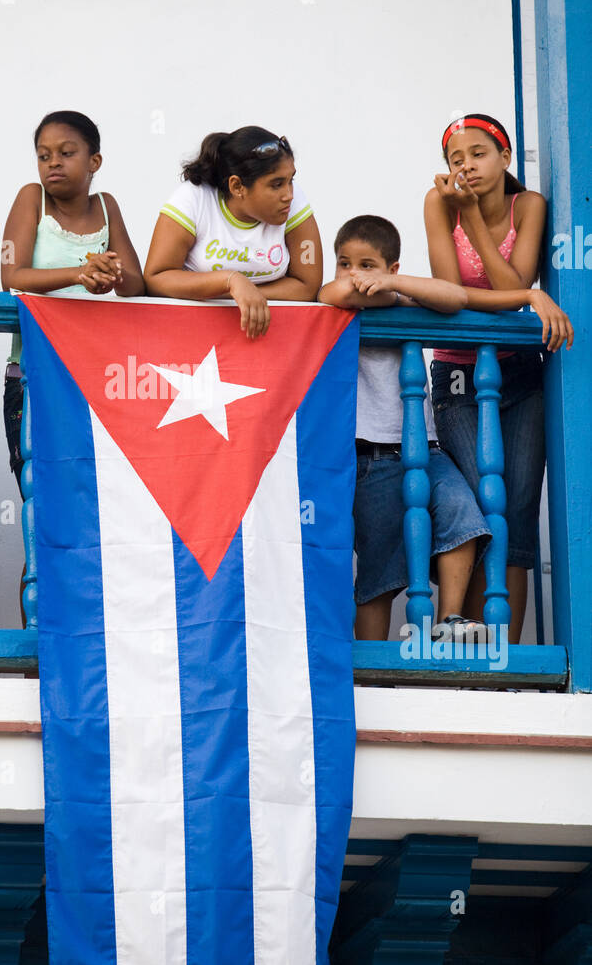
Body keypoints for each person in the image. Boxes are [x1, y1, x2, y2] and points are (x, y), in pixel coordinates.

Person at [319, 215, 494, 642]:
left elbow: (453, 296)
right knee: (381, 570)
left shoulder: (402, 297)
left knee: (462, 513)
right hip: (368, 456)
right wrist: (374, 287)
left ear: (393, 269)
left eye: (367, 265)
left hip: (425, 447)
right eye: (345, 263)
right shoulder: (332, 300)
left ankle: (450, 619)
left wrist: (395, 287)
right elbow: (336, 291)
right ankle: (374, 668)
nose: (355, 275)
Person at [424, 113, 561, 641]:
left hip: (520, 375)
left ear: (505, 157)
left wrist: (476, 222)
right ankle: (466, 643)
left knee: (519, 518)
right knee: (486, 506)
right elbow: (452, 296)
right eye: (456, 159)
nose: (467, 166)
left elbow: (514, 276)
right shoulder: (437, 203)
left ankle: (503, 660)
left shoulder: (528, 206)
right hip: (460, 376)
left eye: (478, 153)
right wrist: (524, 298)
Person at [0, 110, 144, 492]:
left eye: (66, 153)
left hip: (96, 373)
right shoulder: (33, 199)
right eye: (44, 155)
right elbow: (11, 277)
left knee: (95, 489)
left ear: (94, 161)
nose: (53, 164)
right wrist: (79, 272)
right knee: (41, 489)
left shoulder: (107, 206)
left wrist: (110, 273)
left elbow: (135, 285)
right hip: (34, 373)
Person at [143, 127, 322, 336]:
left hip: (263, 335)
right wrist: (230, 281)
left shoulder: (292, 202)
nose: (289, 194)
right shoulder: (193, 199)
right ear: (237, 186)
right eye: (276, 184)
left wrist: (249, 295)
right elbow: (156, 278)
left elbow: (307, 285)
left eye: (291, 180)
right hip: (190, 333)